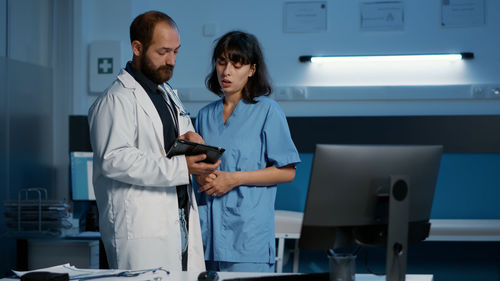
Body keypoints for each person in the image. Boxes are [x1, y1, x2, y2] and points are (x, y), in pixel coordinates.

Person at [88, 10, 219, 271]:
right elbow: (114, 160)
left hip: (178, 221)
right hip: (141, 228)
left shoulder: (166, 94)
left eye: (176, 51)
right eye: (163, 52)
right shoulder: (116, 99)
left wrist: (193, 144)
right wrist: (183, 167)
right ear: (137, 47)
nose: (171, 60)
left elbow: (170, 144)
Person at [195, 31, 301, 272]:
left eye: (237, 63)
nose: (227, 71)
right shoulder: (204, 116)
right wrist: (200, 176)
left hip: (247, 238)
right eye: (222, 62)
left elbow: (287, 172)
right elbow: (197, 167)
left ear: (252, 69)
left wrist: (234, 179)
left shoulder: (267, 112)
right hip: (206, 236)